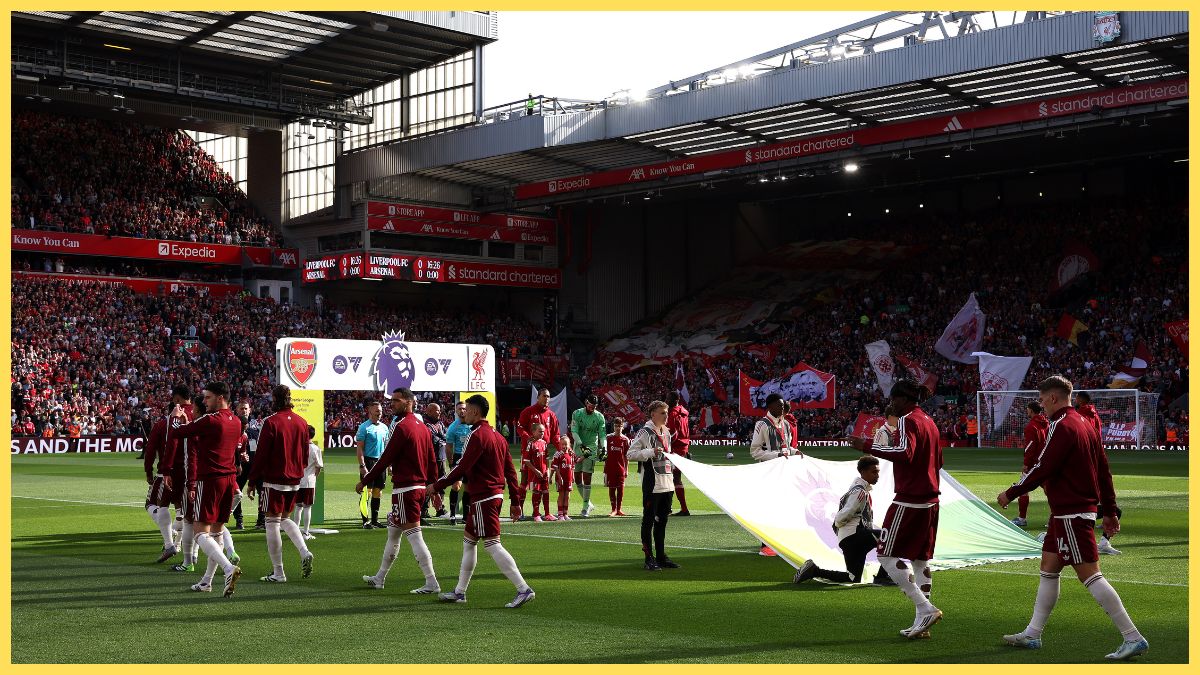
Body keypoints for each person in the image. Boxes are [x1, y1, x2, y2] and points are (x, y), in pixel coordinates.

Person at [997, 375, 1148, 660]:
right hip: (1067, 513)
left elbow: (1043, 467)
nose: (1041, 406)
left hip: (1071, 512)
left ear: (1053, 398)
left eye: (1042, 401)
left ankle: (1132, 636)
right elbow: (1104, 470)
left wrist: (1012, 492)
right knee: (1049, 566)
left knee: (1090, 574)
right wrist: (1111, 510)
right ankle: (1032, 634)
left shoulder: (1062, 425)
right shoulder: (1086, 425)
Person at [848, 379, 943, 639]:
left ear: (902, 399)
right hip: (930, 500)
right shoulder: (929, 421)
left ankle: (925, 609)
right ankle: (921, 621)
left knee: (885, 554)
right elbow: (940, 461)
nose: (890, 404)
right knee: (920, 559)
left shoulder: (907, 420)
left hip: (909, 499)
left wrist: (865, 445)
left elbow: (905, 452)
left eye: (892, 399)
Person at [429, 394, 535, 608]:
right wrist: (515, 501)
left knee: (493, 545)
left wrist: (436, 486)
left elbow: (461, 467)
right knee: (469, 542)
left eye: (466, 409)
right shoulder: (497, 436)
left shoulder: (475, 436)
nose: (463, 412)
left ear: (475, 412)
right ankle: (460, 592)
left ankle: (523, 588)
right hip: (491, 496)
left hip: (483, 498)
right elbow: (510, 471)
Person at [359, 388, 441, 594]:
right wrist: (435, 488)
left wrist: (365, 481)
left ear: (409, 402)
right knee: (393, 533)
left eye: (396, 400)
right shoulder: (422, 427)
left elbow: (386, 458)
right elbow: (432, 460)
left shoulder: (402, 427)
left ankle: (431, 582)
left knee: (414, 535)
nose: (392, 404)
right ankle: (379, 578)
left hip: (406, 489)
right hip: (418, 488)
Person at [169, 382, 242, 597]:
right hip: (229, 480)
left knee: (201, 532)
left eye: (208, 397)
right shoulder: (236, 421)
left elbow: (178, 433)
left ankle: (228, 568)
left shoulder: (210, 420)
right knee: (217, 533)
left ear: (220, 398)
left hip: (209, 480)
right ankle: (207, 581)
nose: (204, 402)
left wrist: (176, 417)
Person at [246, 384, 314, 583]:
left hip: (274, 479)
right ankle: (304, 551)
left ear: (274, 400)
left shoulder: (271, 422)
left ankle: (278, 572)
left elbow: (261, 454)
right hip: (295, 479)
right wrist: (298, 469)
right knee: (284, 518)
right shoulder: (302, 423)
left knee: (271, 522)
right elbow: (305, 452)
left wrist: (252, 481)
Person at [794, 455, 883, 585]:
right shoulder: (860, 492)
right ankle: (883, 577)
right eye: (874, 472)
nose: (877, 475)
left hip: (848, 538)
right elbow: (844, 514)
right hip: (854, 536)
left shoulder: (856, 489)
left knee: (852, 578)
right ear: (863, 472)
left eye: (878, 472)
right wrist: (838, 524)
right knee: (889, 537)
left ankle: (814, 571)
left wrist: (840, 531)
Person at [627, 400, 680, 571]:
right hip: (652, 484)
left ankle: (661, 556)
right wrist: (650, 452)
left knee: (662, 521)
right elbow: (630, 454)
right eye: (662, 413)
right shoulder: (645, 432)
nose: (666, 416)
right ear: (653, 414)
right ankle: (648, 558)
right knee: (648, 521)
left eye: (667, 412)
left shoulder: (667, 432)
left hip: (667, 483)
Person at [749, 392, 801, 557]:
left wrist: (795, 451)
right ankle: (766, 545)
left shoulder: (785, 424)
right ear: (770, 406)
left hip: (784, 471)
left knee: (784, 507)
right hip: (768, 472)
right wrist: (776, 456)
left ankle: (781, 542)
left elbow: (785, 447)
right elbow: (755, 451)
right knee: (768, 509)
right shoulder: (762, 424)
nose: (783, 407)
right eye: (779, 405)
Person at [163, 386, 199, 570]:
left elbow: (173, 439)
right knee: (205, 518)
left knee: (188, 518)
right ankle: (196, 554)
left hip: (186, 471)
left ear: (177, 398)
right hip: (205, 471)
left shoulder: (180, 414)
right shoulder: (205, 413)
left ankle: (188, 560)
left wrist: (166, 469)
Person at [516, 388, 564, 516]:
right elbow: (520, 428)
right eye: (544, 396)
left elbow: (555, 435)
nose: (547, 399)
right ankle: (519, 510)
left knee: (542, 481)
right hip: (528, 452)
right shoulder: (528, 411)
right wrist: (527, 437)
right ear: (538, 397)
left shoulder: (551, 415)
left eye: (548, 396)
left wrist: (561, 449)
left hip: (543, 454)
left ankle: (536, 512)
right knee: (525, 481)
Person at [144, 404, 179, 560]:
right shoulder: (192, 421)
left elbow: (150, 450)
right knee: (183, 512)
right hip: (187, 475)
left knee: (151, 504)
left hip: (164, 473)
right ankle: (191, 556)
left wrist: (148, 472)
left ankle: (169, 543)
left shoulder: (161, 425)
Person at [1012, 402, 1049, 528]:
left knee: (1023, 488)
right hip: (1045, 462)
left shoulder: (1031, 426)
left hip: (1033, 464)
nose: (1026, 411)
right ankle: (1054, 518)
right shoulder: (1047, 424)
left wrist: (1026, 464)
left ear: (1032, 411)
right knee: (1049, 491)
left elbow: (1030, 447)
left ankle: (1022, 518)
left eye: (1027, 409)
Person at [570, 393, 607, 517]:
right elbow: (574, 431)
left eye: (595, 406)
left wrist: (604, 448)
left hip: (591, 448)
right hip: (578, 446)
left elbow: (602, 434)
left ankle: (585, 506)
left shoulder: (600, 417)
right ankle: (589, 503)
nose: (593, 408)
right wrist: (580, 445)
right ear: (586, 402)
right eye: (591, 405)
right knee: (577, 478)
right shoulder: (577, 413)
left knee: (587, 477)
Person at [355, 400, 390, 529]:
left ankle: (375, 520)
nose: (379, 413)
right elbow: (359, 448)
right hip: (369, 462)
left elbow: (386, 447)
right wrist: (362, 465)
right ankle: (365, 521)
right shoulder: (364, 427)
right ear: (370, 412)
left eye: (380, 411)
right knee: (367, 492)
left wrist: (389, 465)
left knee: (378, 491)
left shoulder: (384, 427)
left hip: (381, 462)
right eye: (377, 411)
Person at [444, 400, 473, 525]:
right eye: (459, 409)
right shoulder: (453, 428)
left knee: (468, 487)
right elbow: (449, 446)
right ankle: (452, 515)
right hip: (458, 458)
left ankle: (466, 516)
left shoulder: (472, 425)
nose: (462, 411)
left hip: (471, 458)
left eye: (464, 408)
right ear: (456, 411)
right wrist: (451, 463)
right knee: (456, 486)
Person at [665, 391, 692, 517]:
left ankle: (677, 508)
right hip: (684, 447)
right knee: (675, 478)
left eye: (668, 398)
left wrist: (664, 444)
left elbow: (674, 434)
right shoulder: (684, 411)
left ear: (673, 400)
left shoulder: (672, 413)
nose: (666, 400)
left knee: (670, 478)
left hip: (675, 448)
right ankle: (680, 508)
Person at [293, 425, 323, 540]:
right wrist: (315, 476)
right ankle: (305, 533)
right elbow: (319, 466)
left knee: (298, 506)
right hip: (309, 481)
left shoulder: (297, 447)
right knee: (307, 507)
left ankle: (295, 532)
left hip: (297, 480)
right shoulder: (315, 448)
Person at [522, 422, 554, 521]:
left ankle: (547, 514)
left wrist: (548, 470)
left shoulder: (544, 443)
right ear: (533, 432)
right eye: (540, 431)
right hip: (534, 474)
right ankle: (536, 514)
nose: (542, 433)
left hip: (544, 473)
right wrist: (536, 471)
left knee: (545, 492)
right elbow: (526, 461)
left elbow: (547, 458)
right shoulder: (530, 444)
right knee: (536, 492)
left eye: (543, 432)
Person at [602, 417, 630, 516]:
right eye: (616, 426)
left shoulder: (625, 440)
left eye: (620, 426)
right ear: (613, 426)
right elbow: (603, 453)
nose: (618, 428)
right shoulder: (608, 438)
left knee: (621, 489)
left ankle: (619, 509)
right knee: (612, 488)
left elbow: (627, 456)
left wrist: (626, 469)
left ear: (623, 427)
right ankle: (613, 509)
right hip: (610, 468)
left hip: (621, 468)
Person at [232, 400, 253, 530]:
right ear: (236, 410)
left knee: (260, 488)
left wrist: (244, 455)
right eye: (241, 409)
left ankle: (262, 519)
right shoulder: (232, 427)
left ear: (249, 410)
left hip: (249, 465)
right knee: (237, 492)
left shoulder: (254, 426)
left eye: (246, 409)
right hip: (234, 466)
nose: (244, 411)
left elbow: (243, 449)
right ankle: (238, 519)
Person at [549, 435, 576, 520]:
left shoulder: (571, 454)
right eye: (562, 444)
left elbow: (572, 466)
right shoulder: (558, 454)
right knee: (561, 495)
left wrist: (573, 476)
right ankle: (560, 514)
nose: (564, 446)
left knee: (567, 496)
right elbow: (555, 466)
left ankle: (565, 513)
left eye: (566, 444)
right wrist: (558, 477)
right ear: (559, 445)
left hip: (569, 479)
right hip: (560, 479)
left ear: (569, 445)